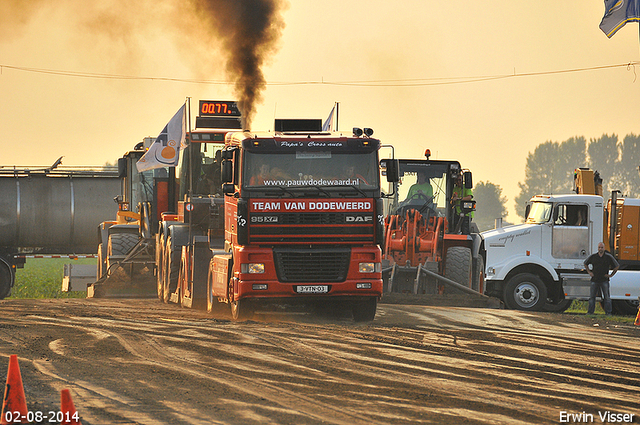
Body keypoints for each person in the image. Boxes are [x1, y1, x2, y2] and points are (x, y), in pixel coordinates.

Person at [583, 242, 619, 315]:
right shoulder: (593, 257)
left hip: (604, 280)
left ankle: (608, 313)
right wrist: (589, 272)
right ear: (598, 248)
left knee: (607, 298)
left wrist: (611, 275)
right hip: (594, 280)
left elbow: (617, 266)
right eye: (599, 247)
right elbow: (585, 263)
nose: (600, 249)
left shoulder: (608, 257)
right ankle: (590, 312)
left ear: (604, 248)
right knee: (592, 297)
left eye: (602, 247)